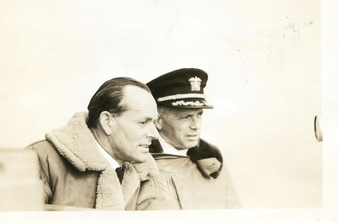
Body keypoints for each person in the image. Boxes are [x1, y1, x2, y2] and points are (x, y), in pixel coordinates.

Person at [27, 77, 169, 211]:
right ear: (107, 122)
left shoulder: (148, 174)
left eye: (154, 122)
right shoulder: (39, 159)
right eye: (143, 122)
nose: (155, 134)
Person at [143, 68, 242, 209]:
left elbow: (235, 212)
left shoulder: (213, 160)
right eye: (185, 117)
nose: (195, 126)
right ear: (157, 121)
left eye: (199, 115)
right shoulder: (140, 163)